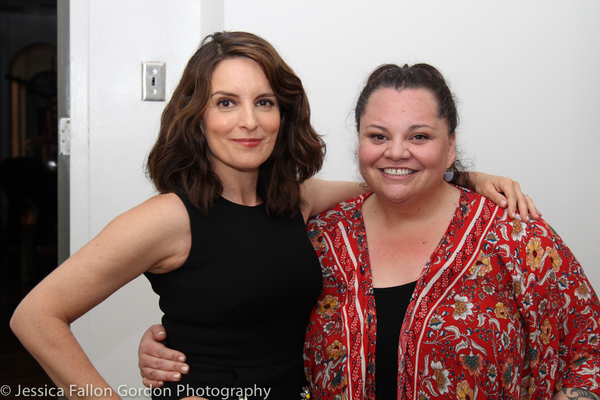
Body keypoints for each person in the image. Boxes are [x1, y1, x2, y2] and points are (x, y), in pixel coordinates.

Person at [11, 30, 535, 400]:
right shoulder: (168, 218)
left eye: (264, 102)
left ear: (282, 114)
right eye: (225, 103)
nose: (248, 121)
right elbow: (34, 316)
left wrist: (463, 178)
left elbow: (389, 182)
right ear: (197, 116)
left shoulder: (294, 200)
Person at [139, 62, 599, 400]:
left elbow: (591, 353)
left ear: (451, 144)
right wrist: (174, 349)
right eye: (378, 136)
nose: (396, 152)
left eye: (419, 137)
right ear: (358, 141)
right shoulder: (319, 236)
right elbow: (257, 319)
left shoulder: (516, 237)